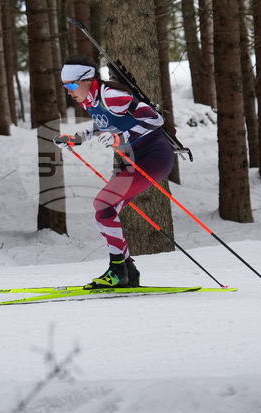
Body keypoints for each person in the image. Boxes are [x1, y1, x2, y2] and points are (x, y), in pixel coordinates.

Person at [53, 55, 174, 289]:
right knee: (104, 213)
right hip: (133, 158)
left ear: (87, 79)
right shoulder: (90, 98)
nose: (68, 91)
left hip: (153, 156)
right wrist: (78, 138)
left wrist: (122, 137)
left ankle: (117, 271)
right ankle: (127, 270)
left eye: (71, 85)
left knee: (104, 204)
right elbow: (105, 122)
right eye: (64, 86)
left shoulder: (111, 95)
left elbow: (155, 118)